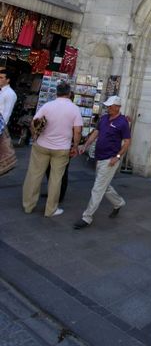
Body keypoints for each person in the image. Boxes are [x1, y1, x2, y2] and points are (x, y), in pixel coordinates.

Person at [22, 81, 82, 217]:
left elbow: (34, 123)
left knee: (34, 175)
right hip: (62, 149)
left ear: (57, 92)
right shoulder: (74, 109)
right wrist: (75, 146)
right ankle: (50, 209)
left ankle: (28, 205)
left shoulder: (48, 106)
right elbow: (77, 131)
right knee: (56, 179)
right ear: (69, 93)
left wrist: (35, 136)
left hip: (42, 145)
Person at [74, 95, 130, 229]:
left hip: (110, 160)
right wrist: (85, 145)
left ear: (118, 107)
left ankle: (87, 217)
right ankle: (119, 203)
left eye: (111, 106)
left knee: (98, 188)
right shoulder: (104, 118)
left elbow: (127, 142)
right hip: (100, 158)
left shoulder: (123, 122)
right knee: (104, 186)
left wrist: (117, 156)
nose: (108, 108)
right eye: (108, 106)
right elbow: (96, 133)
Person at [0, 69, 18, 175]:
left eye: (1, 78)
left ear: (8, 80)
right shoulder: (2, 92)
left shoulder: (10, 94)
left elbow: (6, 114)